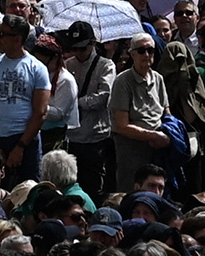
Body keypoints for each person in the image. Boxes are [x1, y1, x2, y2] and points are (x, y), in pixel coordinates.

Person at [0, 14, 51, 186]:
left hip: (25, 140)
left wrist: (20, 147)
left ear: (17, 39)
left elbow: (40, 112)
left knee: (28, 189)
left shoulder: (37, 68)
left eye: (2, 34)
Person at [110, 33, 171, 196]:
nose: (146, 55)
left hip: (157, 147)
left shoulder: (158, 78)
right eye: (141, 50)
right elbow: (121, 125)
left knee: (157, 191)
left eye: (150, 50)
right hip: (131, 147)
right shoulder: (123, 81)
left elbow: (166, 112)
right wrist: (152, 135)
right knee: (130, 191)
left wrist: (167, 133)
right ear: (132, 54)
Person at [64, 20, 116, 203]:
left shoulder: (106, 65)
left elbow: (104, 97)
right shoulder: (67, 65)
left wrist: (77, 103)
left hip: (96, 137)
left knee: (95, 188)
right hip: (72, 137)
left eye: (83, 48)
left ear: (93, 43)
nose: (78, 53)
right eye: (75, 49)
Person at [32, 34, 79, 153]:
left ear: (55, 58)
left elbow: (59, 113)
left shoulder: (65, 80)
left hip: (55, 134)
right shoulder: (36, 75)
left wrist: (38, 104)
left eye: (43, 62)